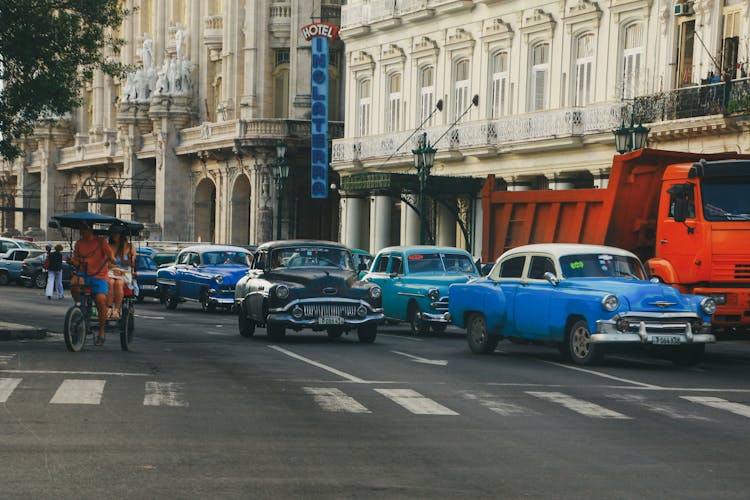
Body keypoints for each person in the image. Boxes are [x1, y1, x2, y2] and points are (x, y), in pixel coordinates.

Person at [70, 222, 115, 346]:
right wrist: (72, 261)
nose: (81, 232)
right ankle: (80, 304)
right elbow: (76, 259)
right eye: (80, 230)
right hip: (84, 274)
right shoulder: (79, 243)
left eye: (84, 229)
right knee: (74, 283)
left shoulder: (101, 242)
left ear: (90, 230)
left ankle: (101, 331)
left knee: (100, 300)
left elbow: (109, 253)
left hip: (99, 276)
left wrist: (112, 258)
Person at [106, 225, 135, 321]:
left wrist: (121, 270)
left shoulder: (130, 247)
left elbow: (131, 263)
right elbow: (108, 263)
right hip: (112, 271)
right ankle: (109, 308)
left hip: (125, 272)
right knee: (110, 282)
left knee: (118, 283)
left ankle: (117, 310)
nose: (114, 236)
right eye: (112, 234)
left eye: (116, 234)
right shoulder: (110, 246)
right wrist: (115, 268)